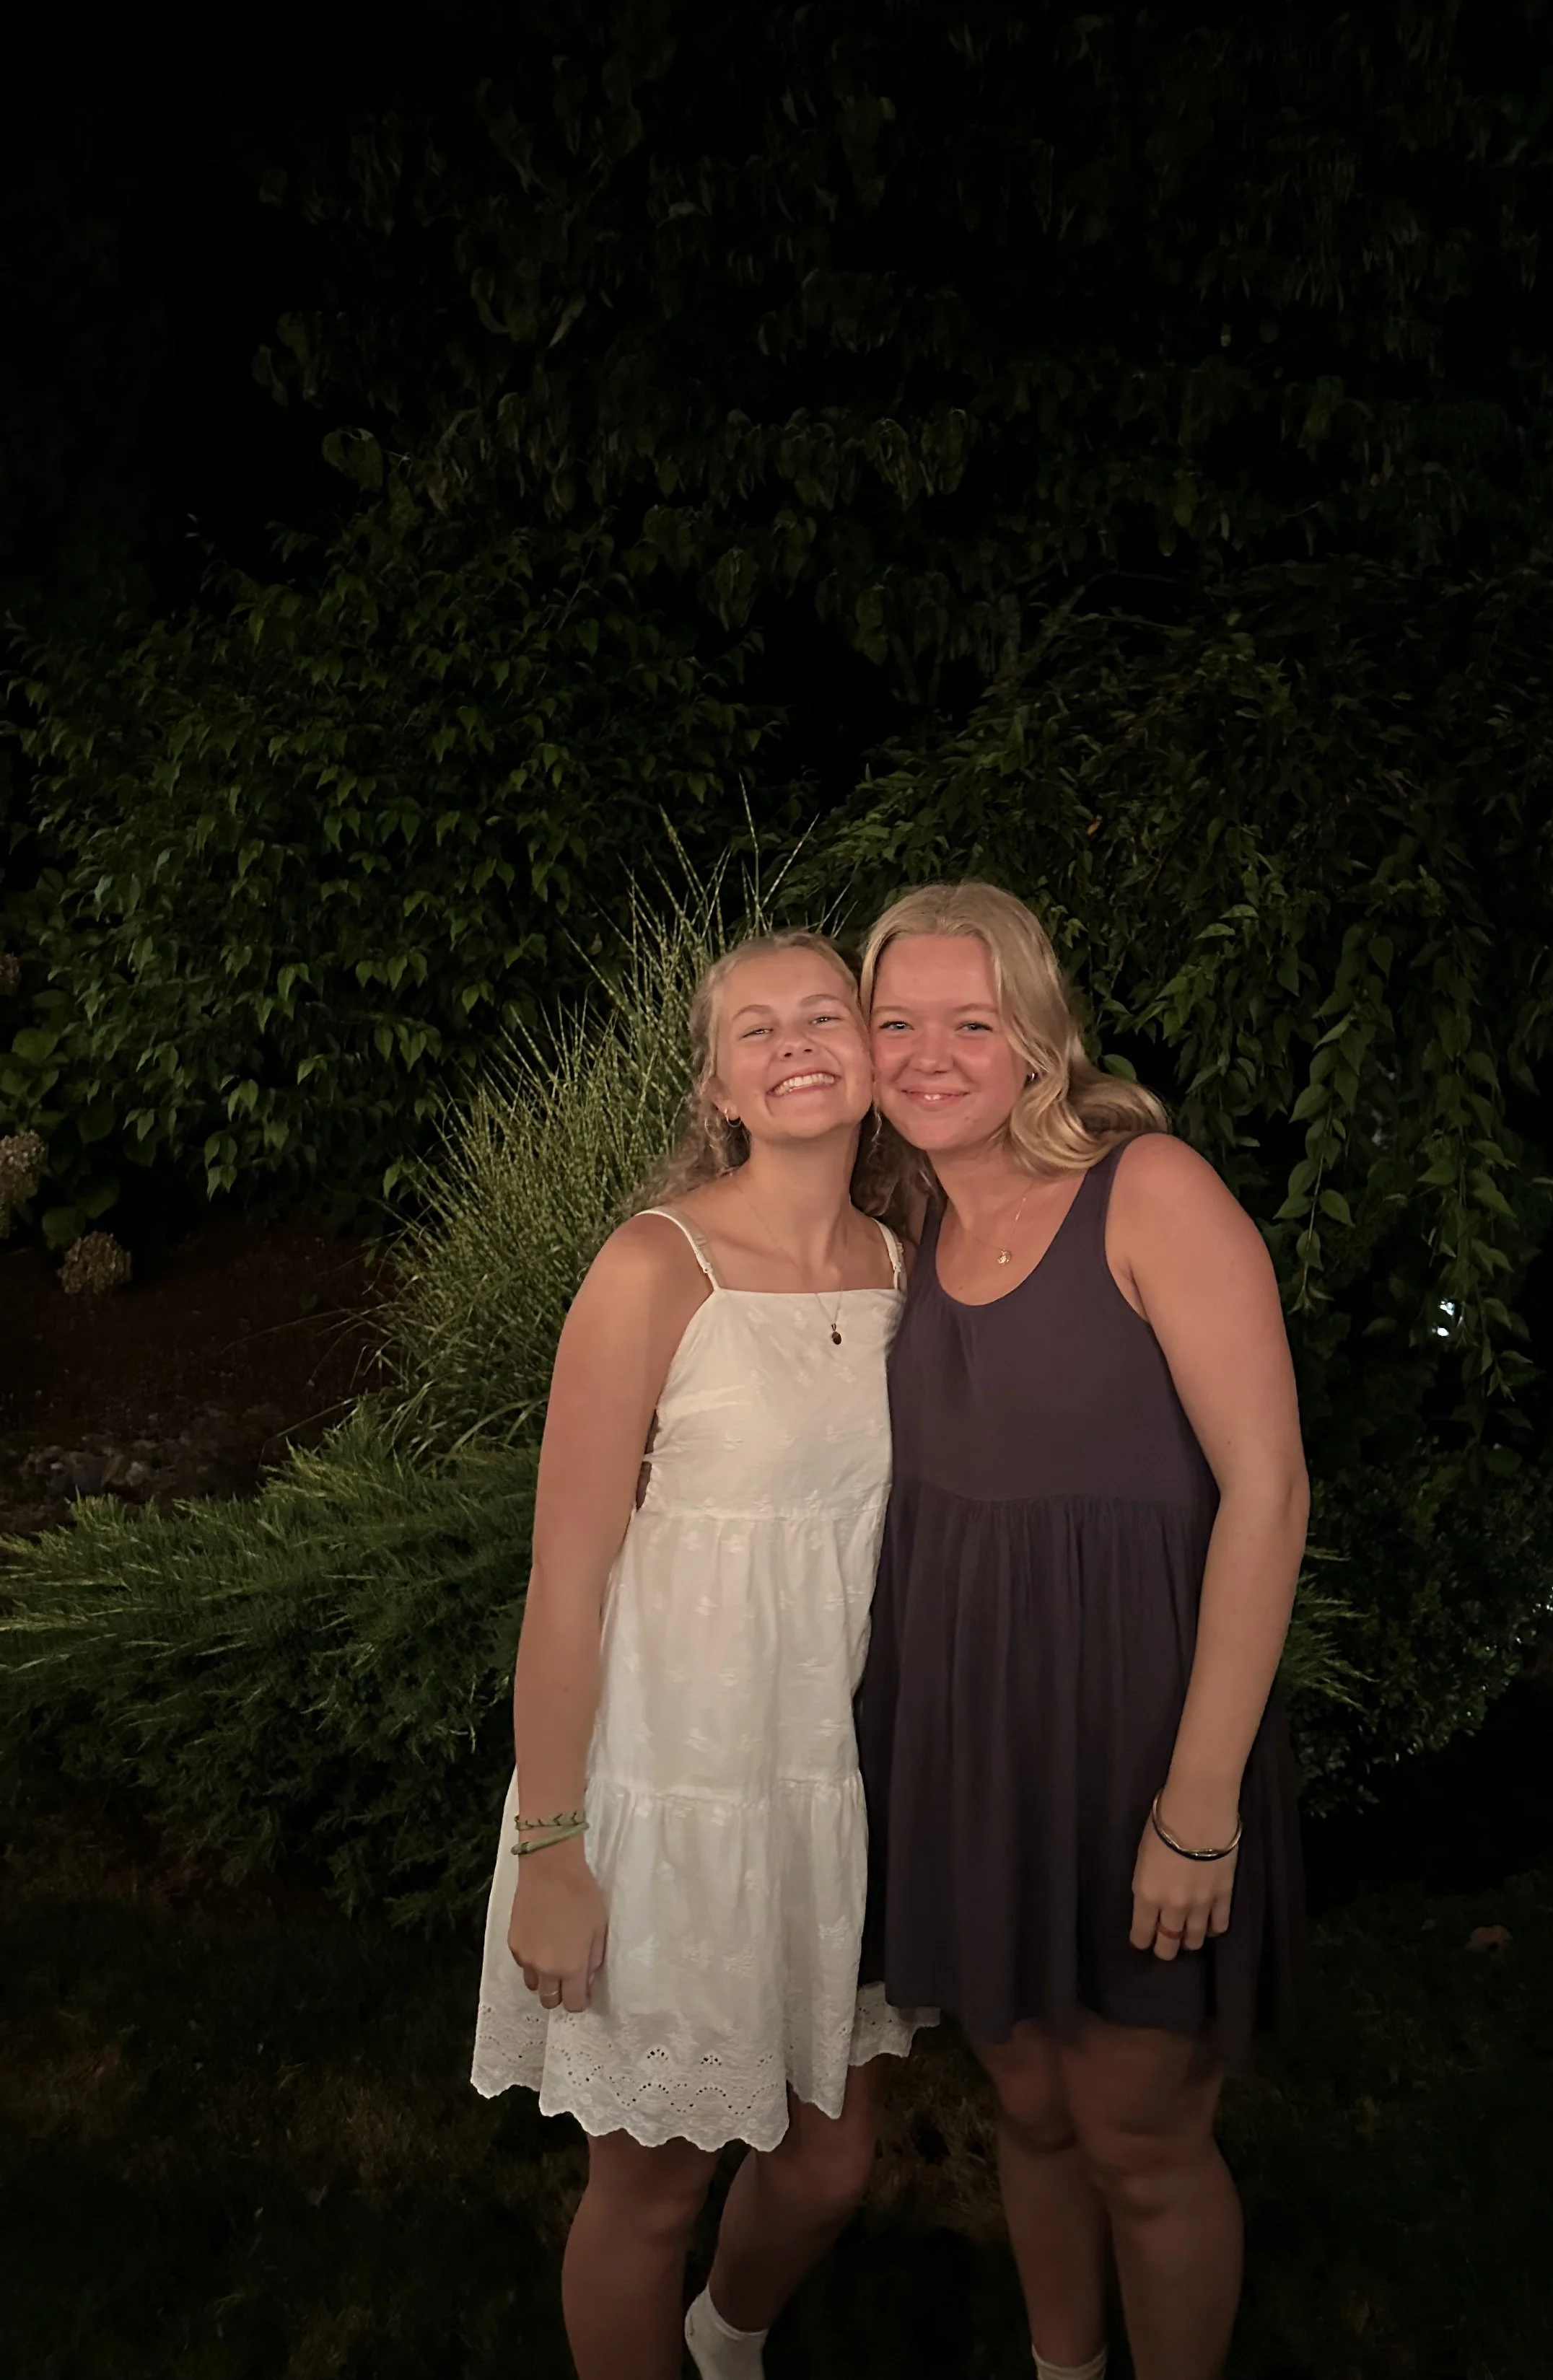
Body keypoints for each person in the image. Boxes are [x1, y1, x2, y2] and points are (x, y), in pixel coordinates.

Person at [854, 883, 1311, 2380]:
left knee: (1137, 2131)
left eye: (969, 1022)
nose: (929, 1055)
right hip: (969, 1734)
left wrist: (1194, 1807)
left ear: (1036, 1038)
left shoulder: (1148, 1190)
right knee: (1029, 2106)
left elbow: (1267, 1487)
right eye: (896, 1021)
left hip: (1136, 1730)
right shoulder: (894, 1223)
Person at [471, 931, 929, 2380]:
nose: (795, 1041)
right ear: (719, 1086)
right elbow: (567, 1576)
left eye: (824, 1014)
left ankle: (721, 2344)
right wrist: (553, 1844)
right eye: (756, 1029)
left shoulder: (900, 1267)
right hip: (663, 1790)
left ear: (868, 1056)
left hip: (816, 1789)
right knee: (651, 2187)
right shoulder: (653, 1265)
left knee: (829, 2163)